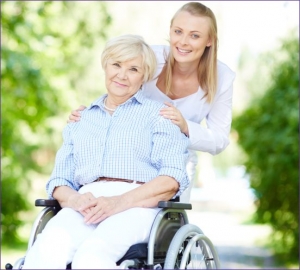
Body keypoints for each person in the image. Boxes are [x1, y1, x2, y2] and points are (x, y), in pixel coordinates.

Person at [22, 34, 189, 269]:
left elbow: (171, 179)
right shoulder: (81, 119)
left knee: (90, 257)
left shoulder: (159, 116)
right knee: (46, 250)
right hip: (86, 203)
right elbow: (59, 180)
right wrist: (75, 199)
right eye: (116, 64)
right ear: (105, 65)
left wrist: (118, 202)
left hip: (138, 204)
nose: (122, 75)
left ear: (144, 77)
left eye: (133, 69)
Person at [68, 2, 236, 203]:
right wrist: (89, 117)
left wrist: (184, 126)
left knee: (168, 224)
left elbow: (218, 139)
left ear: (209, 40)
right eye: (178, 31)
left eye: (195, 35)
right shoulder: (150, 57)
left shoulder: (223, 77)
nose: (183, 42)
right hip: (131, 157)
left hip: (175, 161)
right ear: (170, 31)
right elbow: (119, 88)